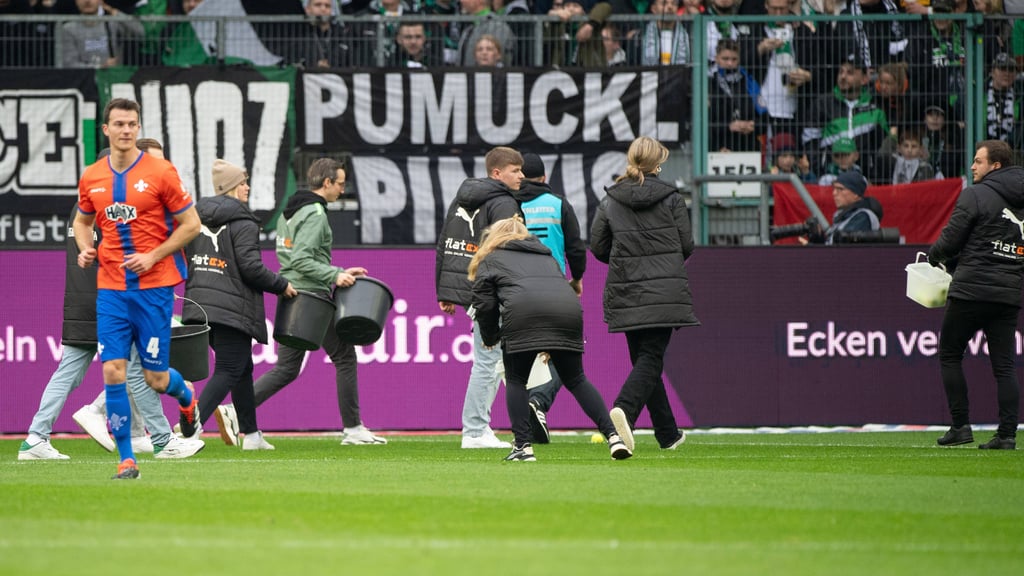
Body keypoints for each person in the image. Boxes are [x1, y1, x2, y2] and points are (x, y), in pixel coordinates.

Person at [20, 145, 204, 462]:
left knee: (74, 372)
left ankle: (37, 437)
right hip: (111, 299)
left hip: (83, 301)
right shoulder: (115, 205)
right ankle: (161, 439)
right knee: (138, 372)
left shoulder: (85, 204)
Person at [73, 98, 202, 479]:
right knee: (113, 370)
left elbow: (191, 224)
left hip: (154, 288)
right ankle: (127, 459)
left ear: (138, 127)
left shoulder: (161, 172)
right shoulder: (92, 176)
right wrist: (86, 248)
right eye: (119, 124)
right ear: (106, 129)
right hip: (111, 289)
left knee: (155, 379)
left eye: (132, 124)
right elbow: (82, 222)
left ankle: (187, 397)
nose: (126, 130)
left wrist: (153, 255)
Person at [468, 217, 632, 462]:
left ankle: (523, 447)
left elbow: (485, 305)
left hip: (523, 315)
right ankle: (613, 437)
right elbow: (557, 290)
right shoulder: (546, 256)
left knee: (516, 379)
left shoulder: (491, 260)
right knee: (576, 379)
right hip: (567, 313)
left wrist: (491, 337)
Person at [252, 158, 386, 446]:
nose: (342, 189)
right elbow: (302, 258)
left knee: (287, 368)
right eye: (340, 183)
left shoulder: (293, 209)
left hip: (295, 292)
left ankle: (235, 411)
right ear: (326, 183)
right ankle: (352, 429)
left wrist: (336, 271)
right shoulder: (315, 212)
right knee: (344, 357)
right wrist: (334, 274)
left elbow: (296, 257)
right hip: (311, 296)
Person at [182, 159, 297, 451]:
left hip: (201, 304)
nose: (247, 187)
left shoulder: (194, 218)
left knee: (242, 368)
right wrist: (281, 285)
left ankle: (252, 434)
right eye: (243, 182)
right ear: (231, 188)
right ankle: (188, 430)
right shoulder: (243, 221)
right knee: (229, 369)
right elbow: (251, 268)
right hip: (231, 306)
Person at [590, 136, 695, 454]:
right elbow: (686, 244)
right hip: (664, 288)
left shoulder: (611, 198)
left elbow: (598, 246)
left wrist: (626, 261)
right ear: (658, 164)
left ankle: (667, 433)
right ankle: (624, 409)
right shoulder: (672, 197)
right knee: (650, 359)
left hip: (628, 288)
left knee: (644, 361)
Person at [928, 140, 1024, 450]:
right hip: (1007, 294)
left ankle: (960, 426)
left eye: (978, 161)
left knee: (950, 354)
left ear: (995, 165)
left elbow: (950, 240)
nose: (972, 167)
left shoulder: (975, 194)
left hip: (970, 290)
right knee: (1005, 367)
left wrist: (935, 256)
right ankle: (1008, 435)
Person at [436, 146, 524, 449]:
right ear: (497, 173)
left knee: (489, 360)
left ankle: (477, 428)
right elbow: (508, 251)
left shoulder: (460, 198)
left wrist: (446, 290)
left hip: (474, 289)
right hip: (493, 290)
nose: (521, 176)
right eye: (516, 170)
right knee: (488, 361)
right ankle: (475, 431)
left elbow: (447, 245)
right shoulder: (503, 203)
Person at [509, 153, 587, 444]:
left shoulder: (509, 204)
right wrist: (576, 279)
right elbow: (576, 247)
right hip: (554, 286)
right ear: (543, 178)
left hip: (515, 287)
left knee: (517, 356)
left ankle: (522, 416)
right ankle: (538, 403)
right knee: (561, 351)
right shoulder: (557, 204)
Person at [802, 53, 891, 182]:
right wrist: (820, 171)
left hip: (865, 179)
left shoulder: (876, 107)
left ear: (864, 79)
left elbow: (882, 146)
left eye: (850, 73)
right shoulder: (822, 104)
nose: (843, 77)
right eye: (841, 72)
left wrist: (872, 174)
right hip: (828, 177)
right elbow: (809, 141)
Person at [707, 38, 763, 154]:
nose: (730, 63)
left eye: (734, 59)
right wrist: (729, 126)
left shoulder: (749, 82)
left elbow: (764, 118)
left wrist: (753, 125)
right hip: (720, 148)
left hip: (748, 148)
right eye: (725, 59)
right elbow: (704, 124)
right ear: (717, 59)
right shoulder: (709, 84)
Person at [804, 171, 882, 245]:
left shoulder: (863, 216)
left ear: (856, 194)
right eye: (834, 189)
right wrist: (818, 238)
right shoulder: (844, 216)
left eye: (840, 189)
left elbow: (843, 248)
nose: (834, 193)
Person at [59, 0, 143, 68]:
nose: (87, 1)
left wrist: (114, 12)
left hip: (112, 78)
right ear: (76, 1)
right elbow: (69, 63)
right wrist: (100, 67)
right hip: (82, 79)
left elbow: (139, 32)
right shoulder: (68, 29)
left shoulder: (111, 24)